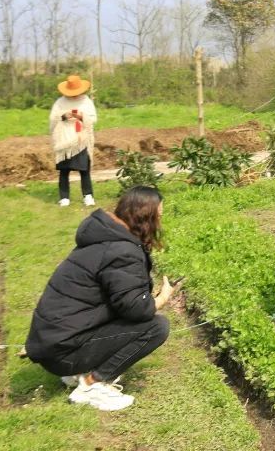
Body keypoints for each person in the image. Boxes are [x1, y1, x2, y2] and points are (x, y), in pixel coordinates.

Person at [24, 186, 175, 411]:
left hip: (53, 344)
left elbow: (120, 301)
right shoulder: (122, 251)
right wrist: (162, 298)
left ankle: (77, 372)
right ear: (146, 219)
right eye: (158, 217)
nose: (160, 224)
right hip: (62, 353)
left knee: (137, 320)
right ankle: (92, 385)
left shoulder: (103, 238)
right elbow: (137, 311)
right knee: (156, 326)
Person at [49, 74, 98, 207]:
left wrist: (81, 116)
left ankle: (88, 196)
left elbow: (93, 118)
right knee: (64, 171)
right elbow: (54, 118)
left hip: (81, 140)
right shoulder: (60, 102)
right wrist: (65, 115)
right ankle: (64, 197)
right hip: (65, 140)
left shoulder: (86, 101)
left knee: (84, 170)